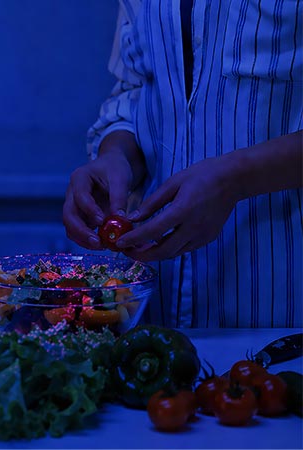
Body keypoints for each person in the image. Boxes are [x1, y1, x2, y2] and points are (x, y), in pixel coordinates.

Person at [64, 0, 302, 327]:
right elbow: (135, 90)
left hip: (280, 308)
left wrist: (236, 179)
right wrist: (116, 155)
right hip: (156, 313)